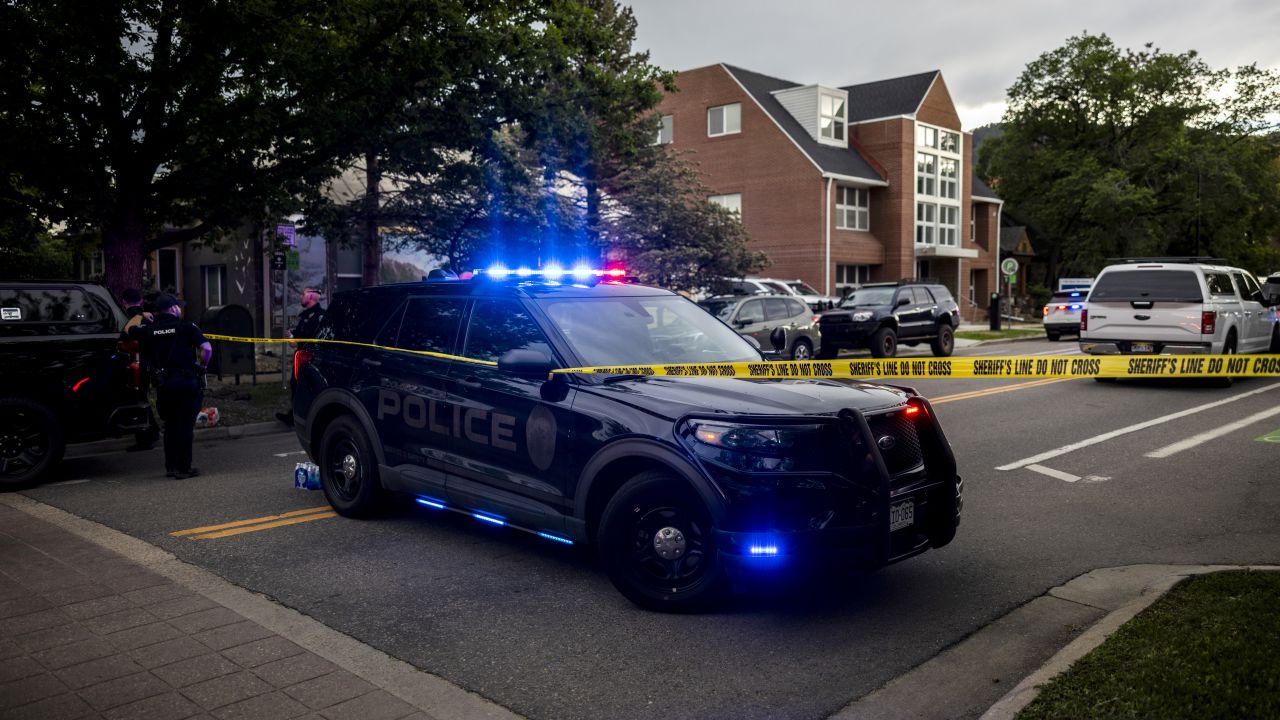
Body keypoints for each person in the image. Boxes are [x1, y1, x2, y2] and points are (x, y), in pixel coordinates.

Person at [127, 294, 212, 479]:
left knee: (171, 425)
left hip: (164, 385)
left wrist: (141, 315)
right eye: (178, 306)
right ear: (173, 308)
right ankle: (184, 469)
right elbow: (207, 349)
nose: (180, 309)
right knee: (185, 426)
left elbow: (129, 330)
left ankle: (171, 467)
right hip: (187, 382)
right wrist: (202, 366)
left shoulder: (149, 330)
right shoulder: (186, 327)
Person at [276, 288, 325, 426]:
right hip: (301, 358)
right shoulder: (306, 316)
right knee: (296, 386)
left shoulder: (319, 317)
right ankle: (296, 416)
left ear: (311, 297)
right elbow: (298, 338)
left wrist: (294, 339)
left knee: (307, 388)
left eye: (303, 294)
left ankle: (306, 418)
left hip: (311, 359)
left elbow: (311, 339)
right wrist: (293, 336)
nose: (300, 296)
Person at [119, 288, 160, 451]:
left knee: (137, 400)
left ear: (124, 302)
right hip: (149, 363)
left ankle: (147, 435)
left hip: (132, 365)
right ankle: (150, 433)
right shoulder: (149, 318)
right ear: (141, 300)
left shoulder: (126, 318)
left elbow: (125, 336)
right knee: (142, 398)